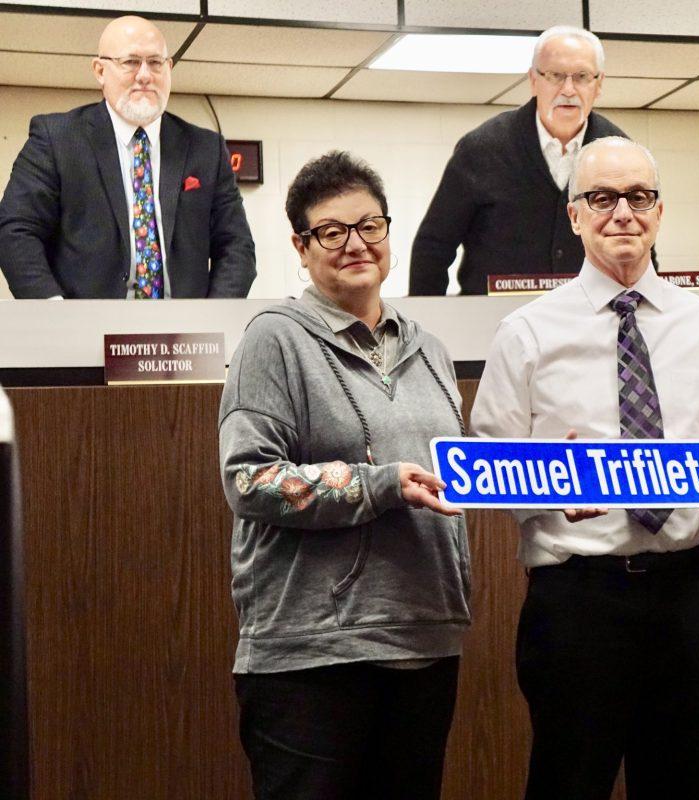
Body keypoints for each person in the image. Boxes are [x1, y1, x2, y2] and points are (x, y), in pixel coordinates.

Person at [471, 137, 699, 800]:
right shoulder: (527, 331)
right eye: (602, 198)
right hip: (576, 602)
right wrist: (545, 490)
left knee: (684, 783)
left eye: (638, 197)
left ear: (659, 212)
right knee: (568, 782)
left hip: (685, 593)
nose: (622, 213)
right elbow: (489, 464)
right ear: (574, 215)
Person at [218, 151, 469, 800]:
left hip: (424, 643)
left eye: (371, 226)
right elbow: (248, 479)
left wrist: (557, 479)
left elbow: (461, 474)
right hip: (311, 657)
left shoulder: (430, 350)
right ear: (302, 248)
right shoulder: (274, 341)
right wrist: (376, 485)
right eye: (333, 232)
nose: (357, 244)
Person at [0, 15, 255, 298]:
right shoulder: (56, 138)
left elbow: (237, 246)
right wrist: (57, 316)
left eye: (156, 63)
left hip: (183, 335)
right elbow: (15, 230)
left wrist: (213, 319)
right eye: (131, 62)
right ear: (100, 70)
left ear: (169, 68)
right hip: (85, 330)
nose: (145, 75)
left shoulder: (206, 149)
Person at [409, 26, 632, 296]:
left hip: (590, 323)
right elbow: (433, 247)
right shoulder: (481, 149)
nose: (569, 89)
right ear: (533, 80)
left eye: (582, 77)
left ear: (599, 84)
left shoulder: (621, 154)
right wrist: (429, 327)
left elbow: (641, 248)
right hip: (491, 322)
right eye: (555, 76)